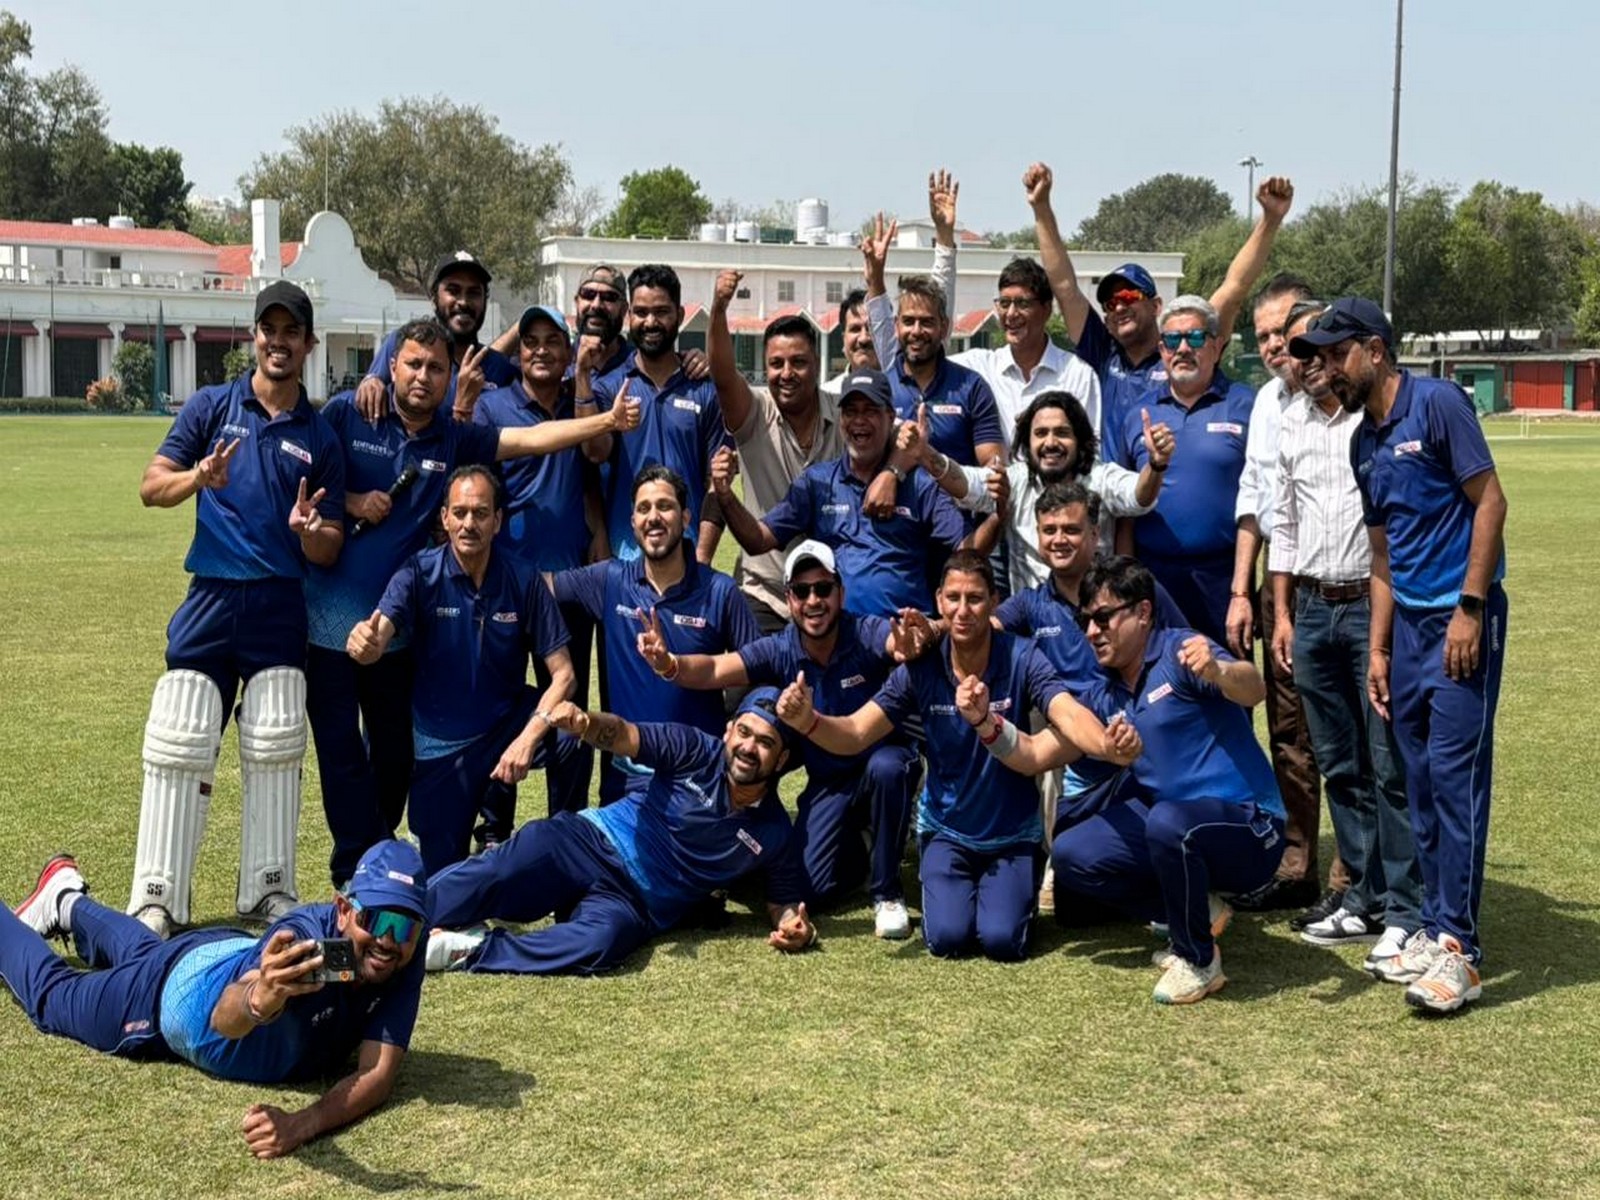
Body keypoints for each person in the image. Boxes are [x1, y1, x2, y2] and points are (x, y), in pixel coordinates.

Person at [307, 315, 643, 882]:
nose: (423, 376)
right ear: (391, 366)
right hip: (334, 623)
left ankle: (551, 856)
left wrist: (604, 422)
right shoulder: (349, 411)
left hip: (402, 630)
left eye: (436, 368)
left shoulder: (453, 435)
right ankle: (355, 866)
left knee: (391, 755)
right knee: (343, 757)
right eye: (413, 364)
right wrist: (354, 497)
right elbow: (308, 480)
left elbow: (530, 439)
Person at [1291, 296, 1508, 1014]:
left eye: (1335, 353)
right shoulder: (1364, 442)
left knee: (1454, 781)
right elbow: (1381, 558)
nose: (1325, 368)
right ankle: (1428, 926)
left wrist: (1469, 608)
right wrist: (1378, 650)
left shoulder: (1439, 404)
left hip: (1459, 620)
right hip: (1408, 631)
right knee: (1416, 785)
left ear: (1375, 349)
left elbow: (1491, 502)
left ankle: (1459, 950)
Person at [775, 551, 1138, 962]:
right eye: (954, 598)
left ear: (995, 601)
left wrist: (1107, 746)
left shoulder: (1022, 656)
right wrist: (809, 721)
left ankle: (1017, 884)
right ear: (939, 600)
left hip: (1012, 834)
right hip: (947, 832)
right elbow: (857, 732)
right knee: (949, 939)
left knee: (1002, 942)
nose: (963, 610)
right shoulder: (921, 668)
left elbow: (1066, 711)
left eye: (975, 598)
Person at [968, 557, 1286, 1004]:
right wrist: (985, 724)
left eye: (1103, 618)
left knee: (1167, 822)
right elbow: (1035, 754)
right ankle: (1193, 918)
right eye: (1085, 621)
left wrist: (1220, 671)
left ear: (1142, 612)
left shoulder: (1181, 652)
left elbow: (1254, 688)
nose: (1092, 631)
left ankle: (1198, 960)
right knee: (1075, 853)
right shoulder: (1103, 694)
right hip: (1176, 828)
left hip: (1254, 829)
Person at [130, 281, 345, 937]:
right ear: (254, 336)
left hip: (280, 600)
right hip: (212, 594)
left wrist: (311, 530)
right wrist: (200, 477)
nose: (278, 342)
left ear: (308, 343)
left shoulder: (320, 434)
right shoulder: (211, 407)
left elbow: (331, 546)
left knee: (277, 736)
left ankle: (268, 890)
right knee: (181, 734)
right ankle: (157, 897)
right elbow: (151, 487)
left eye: (291, 332)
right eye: (267, 329)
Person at [5, 840, 427, 1159]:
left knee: (146, 952)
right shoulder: (310, 948)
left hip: (210, 953)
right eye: (376, 919)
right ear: (343, 909)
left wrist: (303, 1123)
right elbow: (225, 1019)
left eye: (404, 926)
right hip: (166, 998)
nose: (390, 939)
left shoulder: (395, 957)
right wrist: (260, 999)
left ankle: (65, 899)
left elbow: (377, 1075)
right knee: (53, 996)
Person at [634, 540, 925, 939]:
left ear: (840, 593)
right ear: (788, 599)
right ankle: (867, 844)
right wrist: (669, 664)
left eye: (823, 589)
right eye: (802, 591)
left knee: (889, 767)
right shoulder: (781, 648)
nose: (814, 600)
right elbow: (719, 668)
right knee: (811, 889)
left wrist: (910, 644)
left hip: (881, 761)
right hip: (831, 779)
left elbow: (894, 643)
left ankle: (887, 891)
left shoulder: (864, 630)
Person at [422, 689, 816, 974]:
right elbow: (626, 734)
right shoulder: (694, 749)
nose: (749, 748)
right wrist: (586, 724)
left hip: (633, 903)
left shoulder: (775, 832)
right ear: (729, 731)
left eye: (765, 743)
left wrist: (792, 925)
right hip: (589, 841)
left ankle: (470, 950)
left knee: (600, 945)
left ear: (781, 759)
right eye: (744, 733)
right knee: (498, 871)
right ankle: (388, 914)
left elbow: (781, 902)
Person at [1271, 300, 1421, 969]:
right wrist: (1280, 613)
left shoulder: (1372, 419)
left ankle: (1404, 904)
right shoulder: (1289, 424)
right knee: (1339, 764)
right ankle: (1362, 893)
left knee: (1387, 764)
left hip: (1366, 606)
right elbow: (1284, 523)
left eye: (1321, 352)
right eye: (1301, 354)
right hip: (1309, 607)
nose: (1311, 364)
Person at [347, 467, 579, 876]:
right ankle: (475, 834)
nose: (470, 523)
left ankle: (567, 855)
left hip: (508, 723)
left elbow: (565, 675)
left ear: (498, 520)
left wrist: (528, 737)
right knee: (441, 881)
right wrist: (365, 644)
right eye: (460, 513)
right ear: (445, 518)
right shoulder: (418, 573)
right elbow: (377, 635)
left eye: (481, 513)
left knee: (574, 730)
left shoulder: (523, 578)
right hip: (442, 745)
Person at [1028, 163, 1294, 451]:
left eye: (1129, 296)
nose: (1119, 308)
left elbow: (1233, 288)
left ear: (1156, 305)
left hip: (1168, 483)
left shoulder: (1184, 347)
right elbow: (1066, 288)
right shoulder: (1103, 354)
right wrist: (1041, 207)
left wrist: (1270, 219)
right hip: (1117, 492)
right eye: (1111, 303)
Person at [474, 306, 613, 818]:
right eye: (529, 340)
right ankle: (493, 828)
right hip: (507, 582)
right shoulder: (495, 407)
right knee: (501, 706)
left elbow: (595, 461)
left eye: (552, 341)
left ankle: (567, 825)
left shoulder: (584, 403)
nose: (539, 350)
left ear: (568, 349)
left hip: (567, 585)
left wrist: (582, 381)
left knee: (568, 710)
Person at [552, 466, 761, 804]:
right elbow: (538, 588)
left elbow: (761, 670)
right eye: (643, 508)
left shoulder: (720, 592)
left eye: (665, 506)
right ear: (632, 521)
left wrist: (740, 726)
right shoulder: (610, 580)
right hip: (626, 783)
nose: (653, 517)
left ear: (686, 517)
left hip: (697, 781)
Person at [711, 368, 971, 617]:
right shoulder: (818, 482)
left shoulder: (920, 485)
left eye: (870, 411)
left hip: (905, 636)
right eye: (850, 411)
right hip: (838, 643)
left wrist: (998, 514)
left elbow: (967, 549)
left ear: (890, 417)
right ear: (840, 419)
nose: (859, 420)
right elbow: (757, 540)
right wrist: (725, 496)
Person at [865, 169, 1102, 438]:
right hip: (992, 480)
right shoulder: (978, 369)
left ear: (1046, 309)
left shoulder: (1076, 375)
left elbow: (1090, 455)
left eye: (1022, 304)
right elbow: (922, 333)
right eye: (1004, 303)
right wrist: (943, 237)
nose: (1011, 314)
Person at [1227, 275, 1326, 913]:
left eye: (1280, 331)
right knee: (1288, 727)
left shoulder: (1336, 395)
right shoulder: (1267, 402)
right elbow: (1255, 501)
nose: (1270, 345)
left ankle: (1359, 871)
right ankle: (1298, 860)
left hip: (1343, 583)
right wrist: (1244, 590)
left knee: (1346, 731)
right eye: (1261, 335)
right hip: (1281, 586)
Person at [903, 389, 1168, 593]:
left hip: (1095, 620)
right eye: (1040, 433)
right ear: (1027, 442)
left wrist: (1155, 464)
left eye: (1062, 433)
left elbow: (1139, 496)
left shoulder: (1100, 477)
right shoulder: (1015, 479)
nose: (1050, 443)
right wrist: (925, 455)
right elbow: (965, 483)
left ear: (1080, 440)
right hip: (1032, 624)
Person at [701, 269, 842, 631]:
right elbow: (722, 373)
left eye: (798, 362)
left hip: (830, 594)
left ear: (817, 366)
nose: (787, 373)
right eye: (776, 364)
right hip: (764, 593)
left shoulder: (844, 416)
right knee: (749, 689)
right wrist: (718, 308)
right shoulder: (754, 413)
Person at [1113, 296, 1257, 645]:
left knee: (1227, 689)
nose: (1183, 349)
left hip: (1222, 578)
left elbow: (1257, 502)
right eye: (1172, 340)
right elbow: (1123, 510)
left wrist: (1241, 592)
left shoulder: (1246, 405)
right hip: (1154, 577)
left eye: (1194, 338)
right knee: (1160, 688)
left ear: (1217, 345)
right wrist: (1125, 581)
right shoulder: (1139, 412)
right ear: (1161, 350)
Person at [591, 264, 725, 561]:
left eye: (661, 312)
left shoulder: (704, 390)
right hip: (624, 559)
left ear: (679, 314)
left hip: (687, 562)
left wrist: (701, 558)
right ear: (629, 316)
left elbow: (718, 483)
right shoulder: (608, 389)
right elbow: (590, 469)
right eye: (641, 312)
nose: (650, 322)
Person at [357, 251, 517, 420]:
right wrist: (371, 382)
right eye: (453, 290)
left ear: (485, 300)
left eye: (474, 293)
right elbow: (372, 386)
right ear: (433, 298)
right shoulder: (402, 344)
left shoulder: (501, 369)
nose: (463, 302)